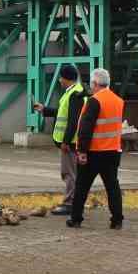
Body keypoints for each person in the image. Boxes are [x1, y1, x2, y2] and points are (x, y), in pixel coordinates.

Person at [67, 67, 125, 229]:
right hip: (113, 151)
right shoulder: (118, 100)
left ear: (94, 83)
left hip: (94, 152)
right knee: (113, 187)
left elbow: (86, 128)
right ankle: (117, 220)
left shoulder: (94, 101)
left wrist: (82, 151)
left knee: (82, 187)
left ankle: (76, 218)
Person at [31, 65, 85, 216]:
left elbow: (74, 120)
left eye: (61, 77)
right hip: (71, 142)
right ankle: (74, 201)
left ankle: (70, 203)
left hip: (70, 143)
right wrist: (45, 109)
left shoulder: (75, 94)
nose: (59, 80)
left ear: (66, 78)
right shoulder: (73, 92)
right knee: (71, 173)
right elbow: (64, 113)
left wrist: (66, 142)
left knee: (69, 173)